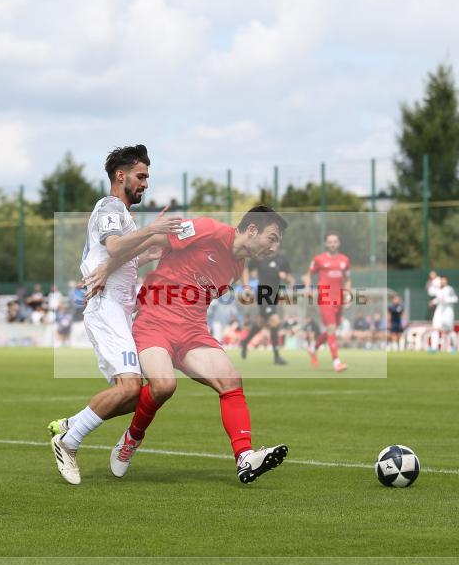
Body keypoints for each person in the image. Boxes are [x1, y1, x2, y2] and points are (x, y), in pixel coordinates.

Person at [113, 206, 290, 484]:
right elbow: (156, 239)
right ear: (252, 230)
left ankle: (245, 457)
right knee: (163, 386)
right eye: (273, 237)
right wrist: (111, 269)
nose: (275, 246)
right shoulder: (208, 229)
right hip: (155, 322)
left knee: (231, 380)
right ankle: (132, 438)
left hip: (193, 331)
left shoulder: (238, 266)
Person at [48, 144, 181, 486]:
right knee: (129, 387)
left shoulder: (124, 215)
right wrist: (152, 230)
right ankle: (68, 441)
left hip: (120, 309)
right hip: (106, 306)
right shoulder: (110, 206)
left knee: (134, 394)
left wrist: (151, 250)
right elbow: (115, 247)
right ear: (120, 176)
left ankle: (70, 425)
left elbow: (123, 254)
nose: (145, 184)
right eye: (141, 176)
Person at [302, 233, 351, 372]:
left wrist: (348, 295)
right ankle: (336, 362)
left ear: (339, 243)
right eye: (330, 242)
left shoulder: (345, 260)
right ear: (326, 244)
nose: (333, 244)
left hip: (339, 298)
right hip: (325, 296)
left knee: (333, 329)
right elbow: (308, 275)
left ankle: (313, 348)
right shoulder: (319, 259)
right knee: (331, 329)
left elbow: (347, 279)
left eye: (335, 241)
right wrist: (308, 288)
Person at [240, 251, 294, 365]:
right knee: (274, 321)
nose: (272, 244)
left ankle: (245, 342)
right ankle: (277, 356)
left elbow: (291, 280)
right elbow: (245, 270)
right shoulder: (259, 257)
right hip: (263, 295)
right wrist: (246, 287)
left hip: (274, 296)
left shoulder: (282, 259)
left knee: (260, 323)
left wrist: (285, 277)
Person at [430, 276, 458, 353]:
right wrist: (433, 302)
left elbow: (455, 299)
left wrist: (447, 300)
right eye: (441, 280)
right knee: (435, 327)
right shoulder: (438, 289)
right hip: (439, 310)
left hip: (448, 311)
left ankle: (453, 347)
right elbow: (436, 297)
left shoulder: (450, 289)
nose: (442, 282)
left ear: (447, 281)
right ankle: (434, 347)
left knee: (449, 330)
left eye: (444, 280)